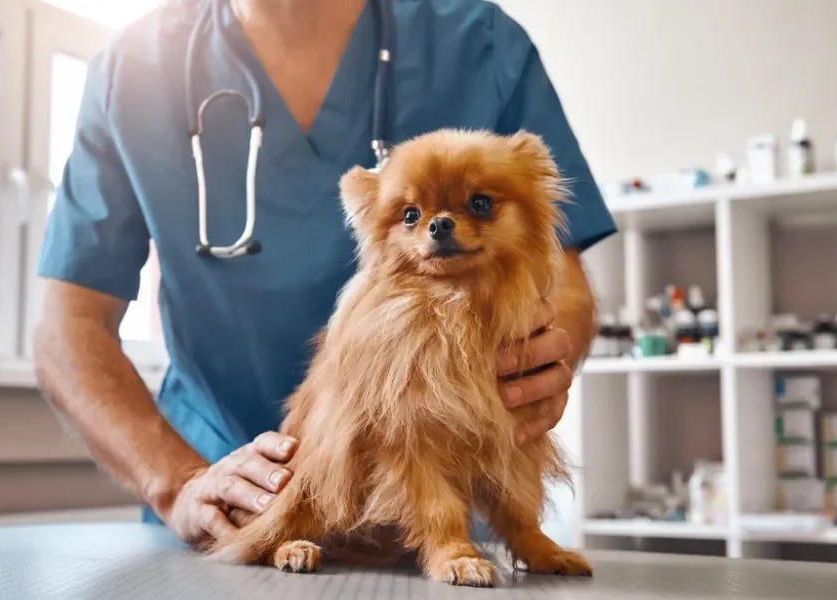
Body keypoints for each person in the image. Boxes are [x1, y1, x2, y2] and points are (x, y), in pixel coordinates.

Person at [34, 0, 616, 548]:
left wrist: (531, 364)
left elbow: (561, 276)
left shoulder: (477, 42)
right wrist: (178, 481)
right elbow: (69, 327)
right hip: (220, 490)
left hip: (446, 495)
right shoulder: (133, 68)